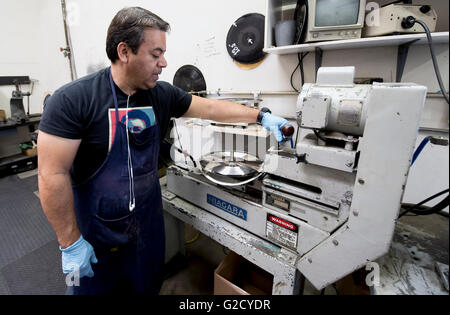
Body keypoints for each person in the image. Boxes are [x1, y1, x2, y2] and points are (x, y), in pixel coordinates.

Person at [38, 7, 292, 295]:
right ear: (124, 51)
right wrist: (70, 242)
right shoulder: (73, 100)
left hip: (147, 232)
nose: (164, 62)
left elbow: (208, 107)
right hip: (96, 239)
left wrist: (261, 116)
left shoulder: (160, 94)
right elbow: (51, 174)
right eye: (155, 54)